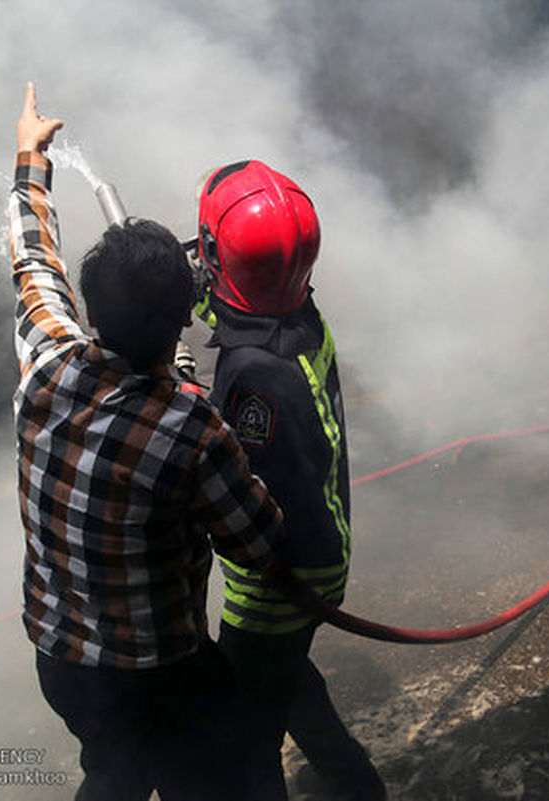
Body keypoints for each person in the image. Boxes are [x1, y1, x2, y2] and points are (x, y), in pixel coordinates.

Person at [10, 84, 285, 800]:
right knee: (218, 777)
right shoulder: (190, 426)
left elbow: (33, 263)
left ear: (90, 309)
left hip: (60, 660)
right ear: (184, 316)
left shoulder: (45, 359)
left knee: (113, 771)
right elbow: (257, 542)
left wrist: (28, 160)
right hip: (160, 669)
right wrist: (190, 395)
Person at [195, 160, 385, 800]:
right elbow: (235, 298)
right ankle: (354, 783)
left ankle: (353, 784)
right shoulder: (299, 310)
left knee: (245, 737)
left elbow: (249, 487)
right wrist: (193, 274)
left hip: (281, 572)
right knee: (284, 677)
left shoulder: (254, 375)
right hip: (322, 549)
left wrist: (194, 405)